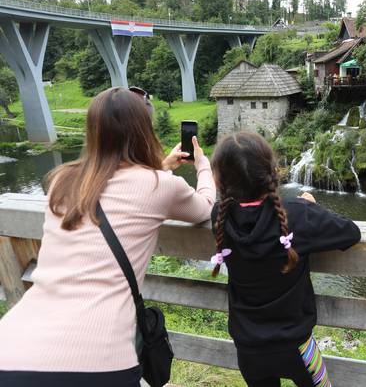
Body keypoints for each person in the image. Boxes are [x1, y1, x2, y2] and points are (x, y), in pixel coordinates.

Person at [0, 87, 216, 386]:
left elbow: (111, 185)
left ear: (94, 131)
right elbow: (204, 207)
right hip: (98, 358)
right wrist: (204, 167)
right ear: (143, 130)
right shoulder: (160, 185)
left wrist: (162, 167)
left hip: (12, 348)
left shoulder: (61, 179)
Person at [209, 131, 361, 387]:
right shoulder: (298, 215)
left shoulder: (220, 218)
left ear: (219, 180)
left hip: (248, 347)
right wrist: (311, 207)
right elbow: (350, 233)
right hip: (297, 347)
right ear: (272, 172)